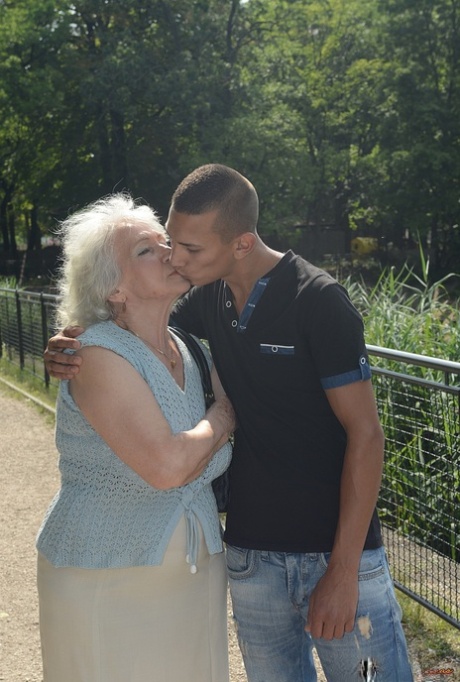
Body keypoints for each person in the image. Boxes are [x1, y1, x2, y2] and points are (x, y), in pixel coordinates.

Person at [45, 165, 414, 682]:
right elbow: (125, 325)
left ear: (241, 244)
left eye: (189, 249)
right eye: (168, 243)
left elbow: (367, 435)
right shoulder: (207, 300)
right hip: (250, 558)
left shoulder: (319, 300)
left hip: (333, 555)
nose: (175, 257)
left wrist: (344, 569)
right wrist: (66, 342)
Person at [37, 193, 235, 682]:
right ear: (114, 289)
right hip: (107, 572)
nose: (170, 252)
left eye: (165, 241)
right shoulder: (92, 354)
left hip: (195, 574)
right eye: (146, 250)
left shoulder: (192, 350)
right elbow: (167, 467)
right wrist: (226, 413)